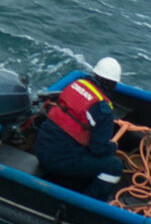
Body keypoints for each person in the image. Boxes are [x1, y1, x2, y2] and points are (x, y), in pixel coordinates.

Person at [34, 57, 126, 199]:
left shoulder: (76, 84)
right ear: (114, 85)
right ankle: (88, 202)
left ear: (95, 74)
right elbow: (99, 149)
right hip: (57, 161)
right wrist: (112, 147)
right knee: (114, 166)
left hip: (41, 148)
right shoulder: (102, 109)